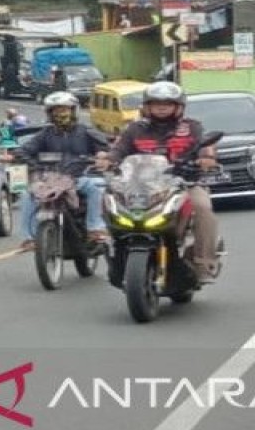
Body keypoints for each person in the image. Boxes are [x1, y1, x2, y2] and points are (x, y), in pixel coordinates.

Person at [95, 81, 221, 284]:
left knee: (202, 208)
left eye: (168, 103)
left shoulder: (192, 127)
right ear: (146, 107)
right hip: (140, 187)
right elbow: (118, 150)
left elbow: (206, 149)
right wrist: (108, 160)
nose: (161, 107)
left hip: (184, 184)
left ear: (178, 107)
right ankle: (114, 250)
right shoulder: (135, 129)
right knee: (110, 201)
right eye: (155, 103)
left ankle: (204, 263)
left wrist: (206, 160)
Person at [5, 92, 109, 251]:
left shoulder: (86, 132)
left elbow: (104, 149)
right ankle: (28, 238)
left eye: (65, 110)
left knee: (95, 188)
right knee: (28, 195)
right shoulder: (44, 134)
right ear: (50, 114)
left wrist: (102, 157)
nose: (60, 114)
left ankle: (95, 228)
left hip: (79, 177)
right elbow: (24, 151)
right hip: (50, 180)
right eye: (56, 111)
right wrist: (17, 157)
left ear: (74, 110)